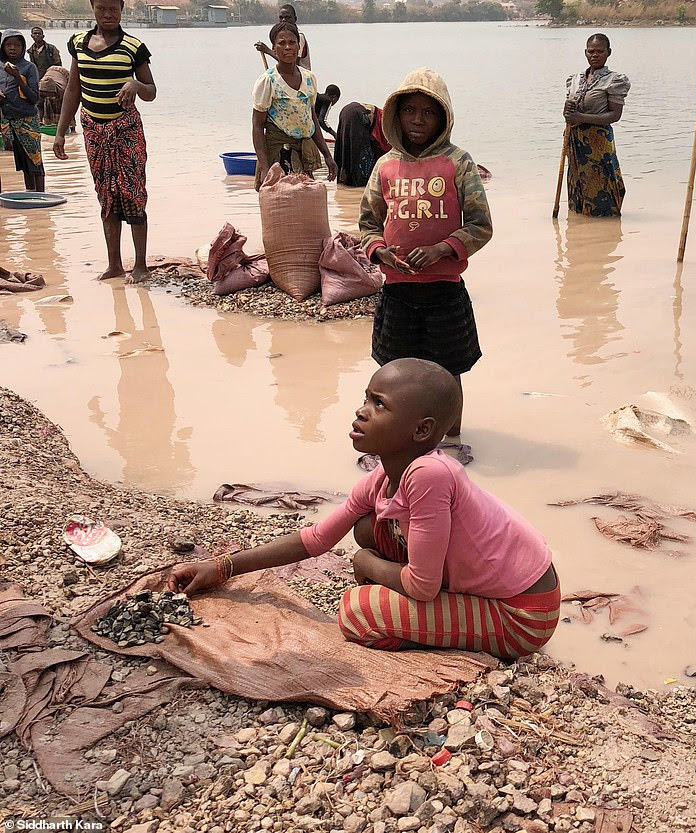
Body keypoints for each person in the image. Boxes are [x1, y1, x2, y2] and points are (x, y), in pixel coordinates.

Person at [167, 358, 561, 659]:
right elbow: (317, 538)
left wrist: (366, 566)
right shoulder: (386, 474)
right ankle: (444, 618)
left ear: (421, 430)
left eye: (379, 404)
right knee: (367, 529)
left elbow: (423, 588)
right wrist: (222, 568)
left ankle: (457, 631)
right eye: (366, 398)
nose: (361, 411)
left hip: (524, 615)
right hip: (487, 586)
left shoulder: (430, 474)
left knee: (357, 615)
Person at [359, 68, 492, 439]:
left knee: (448, 372)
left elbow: (481, 225)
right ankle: (394, 442)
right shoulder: (385, 165)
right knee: (392, 373)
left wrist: (440, 249)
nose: (418, 120)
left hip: (445, 292)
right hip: (397, 293)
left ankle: (452, 443)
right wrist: (380, 252)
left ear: (443, 118)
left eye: (428, 112)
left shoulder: (459, 163)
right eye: (409, 111)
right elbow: (368, 223)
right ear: (396, 116)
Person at [53, 0, 156, 283]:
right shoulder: (78, 43)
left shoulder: (134, 47)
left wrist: (135, 85)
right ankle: (114, 265)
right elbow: (74, 88)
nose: (108, 14)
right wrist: (61, 131)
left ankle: (141, 266)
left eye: (113, 8)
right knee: (106, 196)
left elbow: (151, 91)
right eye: (102, 8)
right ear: (92, 7)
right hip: (94, 132)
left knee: (132, 193)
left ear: (122, 8)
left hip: (126, 131)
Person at [251, 21, 336, 190]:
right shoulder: (268, 81)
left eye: (292, 42)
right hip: (278, 153)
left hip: (303, 153)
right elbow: (257, 126)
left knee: (304, 204)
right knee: (280, 205)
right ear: (274, 49)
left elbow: (311, 120)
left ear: (299, 46)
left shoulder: (309, 78)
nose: (288, 47)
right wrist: (265, 167)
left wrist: (327, 155)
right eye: (282, 43)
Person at [563, 33, 630, 217]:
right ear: (585, 53)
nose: (595, 55)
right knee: (578, 185)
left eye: (600, 51)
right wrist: (567, 111)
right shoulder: (575, 79)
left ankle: (606, 231)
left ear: (608, 53)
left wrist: (581, 117)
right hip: (575, 142)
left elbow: (614, 115)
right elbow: (569, 115)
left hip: (598, 144)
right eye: (591, 51)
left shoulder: (614, 80)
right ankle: (579, 226)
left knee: (602, 185)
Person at [1, 29, 45, 193]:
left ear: (23, 47)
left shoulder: (29, 67)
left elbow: (34, 98)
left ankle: (41, 198)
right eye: (8, 45)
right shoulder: (0, 67)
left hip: (27, 121)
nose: (12, 48)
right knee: (23, 163)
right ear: (3, 47)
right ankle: (30, 196)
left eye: (17, 45)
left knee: (35, 162)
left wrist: (18, 77)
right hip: (8, 121)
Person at [334, 100, 391, 187]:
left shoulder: (388, 118)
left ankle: (345, 186)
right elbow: (385, 149)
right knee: (361, 162)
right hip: (359, 115)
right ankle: (358, 187)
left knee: (345, 152)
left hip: (347, 111)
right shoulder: (390, 126)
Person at [254, 4, 310, 70]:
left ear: (295, 19)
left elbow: (292, 62)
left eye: (287, 17)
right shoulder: (279, 36)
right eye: (281, 18)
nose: (283, 20)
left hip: (302, 78)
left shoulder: (299, 37)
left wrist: (267, 51)